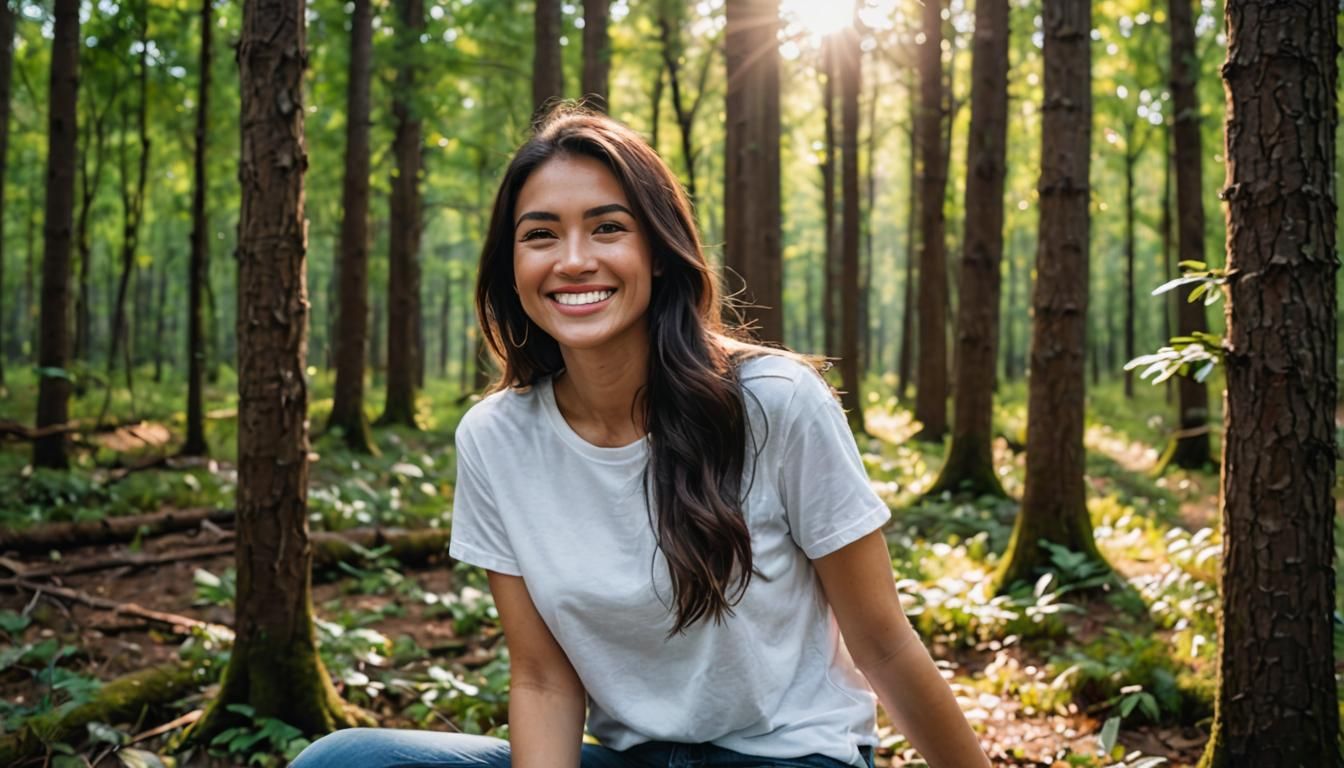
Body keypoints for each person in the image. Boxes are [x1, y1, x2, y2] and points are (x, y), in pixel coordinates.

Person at [292, 107, 990, 768]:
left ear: (657, 251)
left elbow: (883, 644)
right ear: (512, 265)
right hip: (632, 758)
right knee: (346, 760)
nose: (572, 260)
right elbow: (541, 680)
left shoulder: (775, 401)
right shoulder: (494, 439)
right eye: (540, 234)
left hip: (792, 755)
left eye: (607, 228)